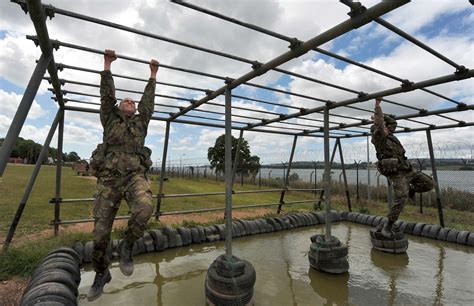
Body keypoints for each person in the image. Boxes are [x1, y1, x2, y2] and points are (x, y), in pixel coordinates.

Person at [87, 49, 159, 301]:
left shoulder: (141, 122)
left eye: (133, 101)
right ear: (118, 107)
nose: (131, 102)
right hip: (109, 180)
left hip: (134, 177)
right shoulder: (109, 118)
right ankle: (101, 273)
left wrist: (153, 74)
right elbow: (106, 95)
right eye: (126, 100)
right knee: (99, 235)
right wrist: (107, 64)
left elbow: (148, 101)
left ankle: (128, 245)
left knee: (145, 209)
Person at [371, 97, 415, 238]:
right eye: (383, 127)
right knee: (401, 196)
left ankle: (412, 189)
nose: (386, 128)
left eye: (386, 127)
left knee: (428, 183)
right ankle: (388, 226)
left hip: (405, 168)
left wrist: (385, 118)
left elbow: (393, 122)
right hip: (395, 171)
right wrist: (377, 106)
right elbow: (379, 124)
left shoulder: (390, 135)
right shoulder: (379, 138)